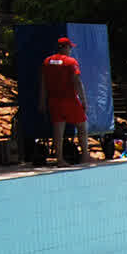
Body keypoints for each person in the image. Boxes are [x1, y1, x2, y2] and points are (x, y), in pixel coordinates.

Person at [39, 36, 89, 164]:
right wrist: (83, 100)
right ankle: (85, 156)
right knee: (82, 126)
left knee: (58, 130)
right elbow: (77, 81)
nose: (71, 49)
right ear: (65, 47)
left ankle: (59, 159)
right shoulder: (71, 62)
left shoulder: (47, 61)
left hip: (54, 100)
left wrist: (42, 102)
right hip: (70, 99)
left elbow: (43, 83)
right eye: (70, 47)